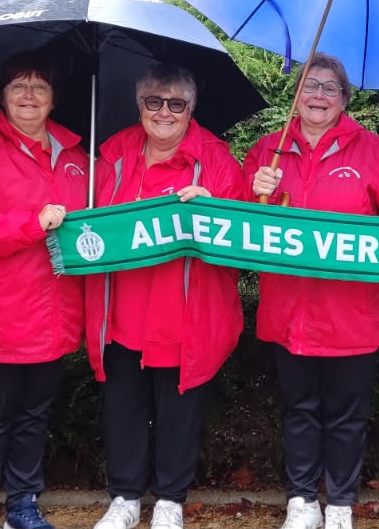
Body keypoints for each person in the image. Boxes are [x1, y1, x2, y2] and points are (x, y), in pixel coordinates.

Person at [246, 53, 379, 529]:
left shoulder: (372, 152)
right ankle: (302, 500)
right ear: (295, 95)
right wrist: (252, 192)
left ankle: (342, 504)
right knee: (298, 411)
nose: (318, 96)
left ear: (345, 100)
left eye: (330, 89)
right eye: (310, 85)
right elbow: (238, 230)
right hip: (289, 312)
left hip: (352, 315)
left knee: (347, 416)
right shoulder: (267, 151)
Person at [86, 63, 245, 529]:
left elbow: (239, 236)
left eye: (176, 103)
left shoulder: (215, 158)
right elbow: (86, 218)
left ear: (191, 109)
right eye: (154, 101)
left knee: (179, 410)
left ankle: (171, 499)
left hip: (184, 310)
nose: (164, 112)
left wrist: (213, 205)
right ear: (139, 105)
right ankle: (125, 498)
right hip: (121, 308)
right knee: (123, 407)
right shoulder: (112, 152)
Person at [0, 52, 89, 529]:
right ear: (2, 97)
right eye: (18, 87)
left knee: (34, 418)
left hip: (57, 310)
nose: (29, 96)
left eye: (40, 87)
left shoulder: (75, 156)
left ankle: (25, 502)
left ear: (54, 99)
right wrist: (32, 223)